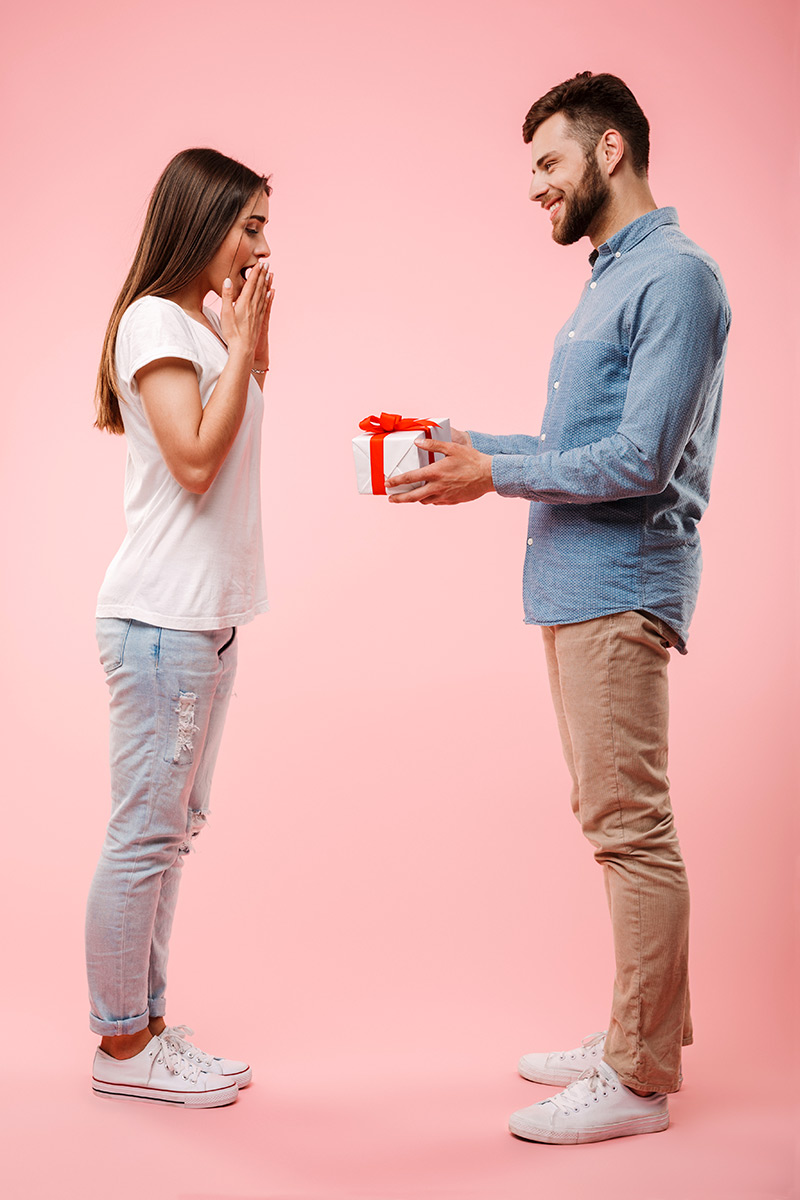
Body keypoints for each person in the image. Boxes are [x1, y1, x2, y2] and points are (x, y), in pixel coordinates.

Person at [386, 72, 730, 1144]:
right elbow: (588, 442)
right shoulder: (610, 276)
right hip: (577, 589)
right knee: (611, 824)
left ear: (610, 151)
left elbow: (637, 459)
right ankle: (636, 1034)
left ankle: (634, 1080)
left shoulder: (673, 277)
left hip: (621, 586)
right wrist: (479, 451)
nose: (535, 186)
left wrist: (495, 475)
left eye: (547, 162)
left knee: (630, 830)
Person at [86, 148, 275, 1108]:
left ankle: (147, 1028)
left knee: (171, 831)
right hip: (161, 623)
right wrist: (238, 342)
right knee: (145, 835)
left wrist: (246, 331)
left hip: (200, 624)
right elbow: (198, 460)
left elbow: (242, 401)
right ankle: (123, 1048)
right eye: (248, 226)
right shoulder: (156, 321)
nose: (262, 245)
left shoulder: (197, 323)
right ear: (201, 224)